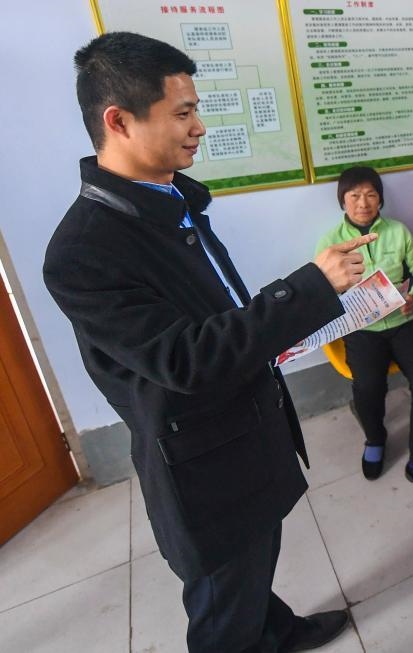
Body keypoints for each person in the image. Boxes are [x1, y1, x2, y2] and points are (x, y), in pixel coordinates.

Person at [43, 33, 366, 652]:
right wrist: (308, 289)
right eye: (182, 113)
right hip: (202, 464)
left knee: (255, 559)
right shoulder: (83, 252)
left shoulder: (169, 199)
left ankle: (276, 631)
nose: (199, 128)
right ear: (119, 121)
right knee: (223, 605)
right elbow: (183, 358)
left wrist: (280, 327)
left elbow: (217, 315)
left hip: (246, 426)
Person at [316, 166, 413, 503]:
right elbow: (324, 290)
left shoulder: (398, 232)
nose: (363, 202)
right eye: (354, 195)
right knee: (368, 386)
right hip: (363, 329)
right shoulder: (331, 243)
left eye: (370, 194)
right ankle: (375, 439)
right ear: (343, 200)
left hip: (405, 322)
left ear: (380, 199)